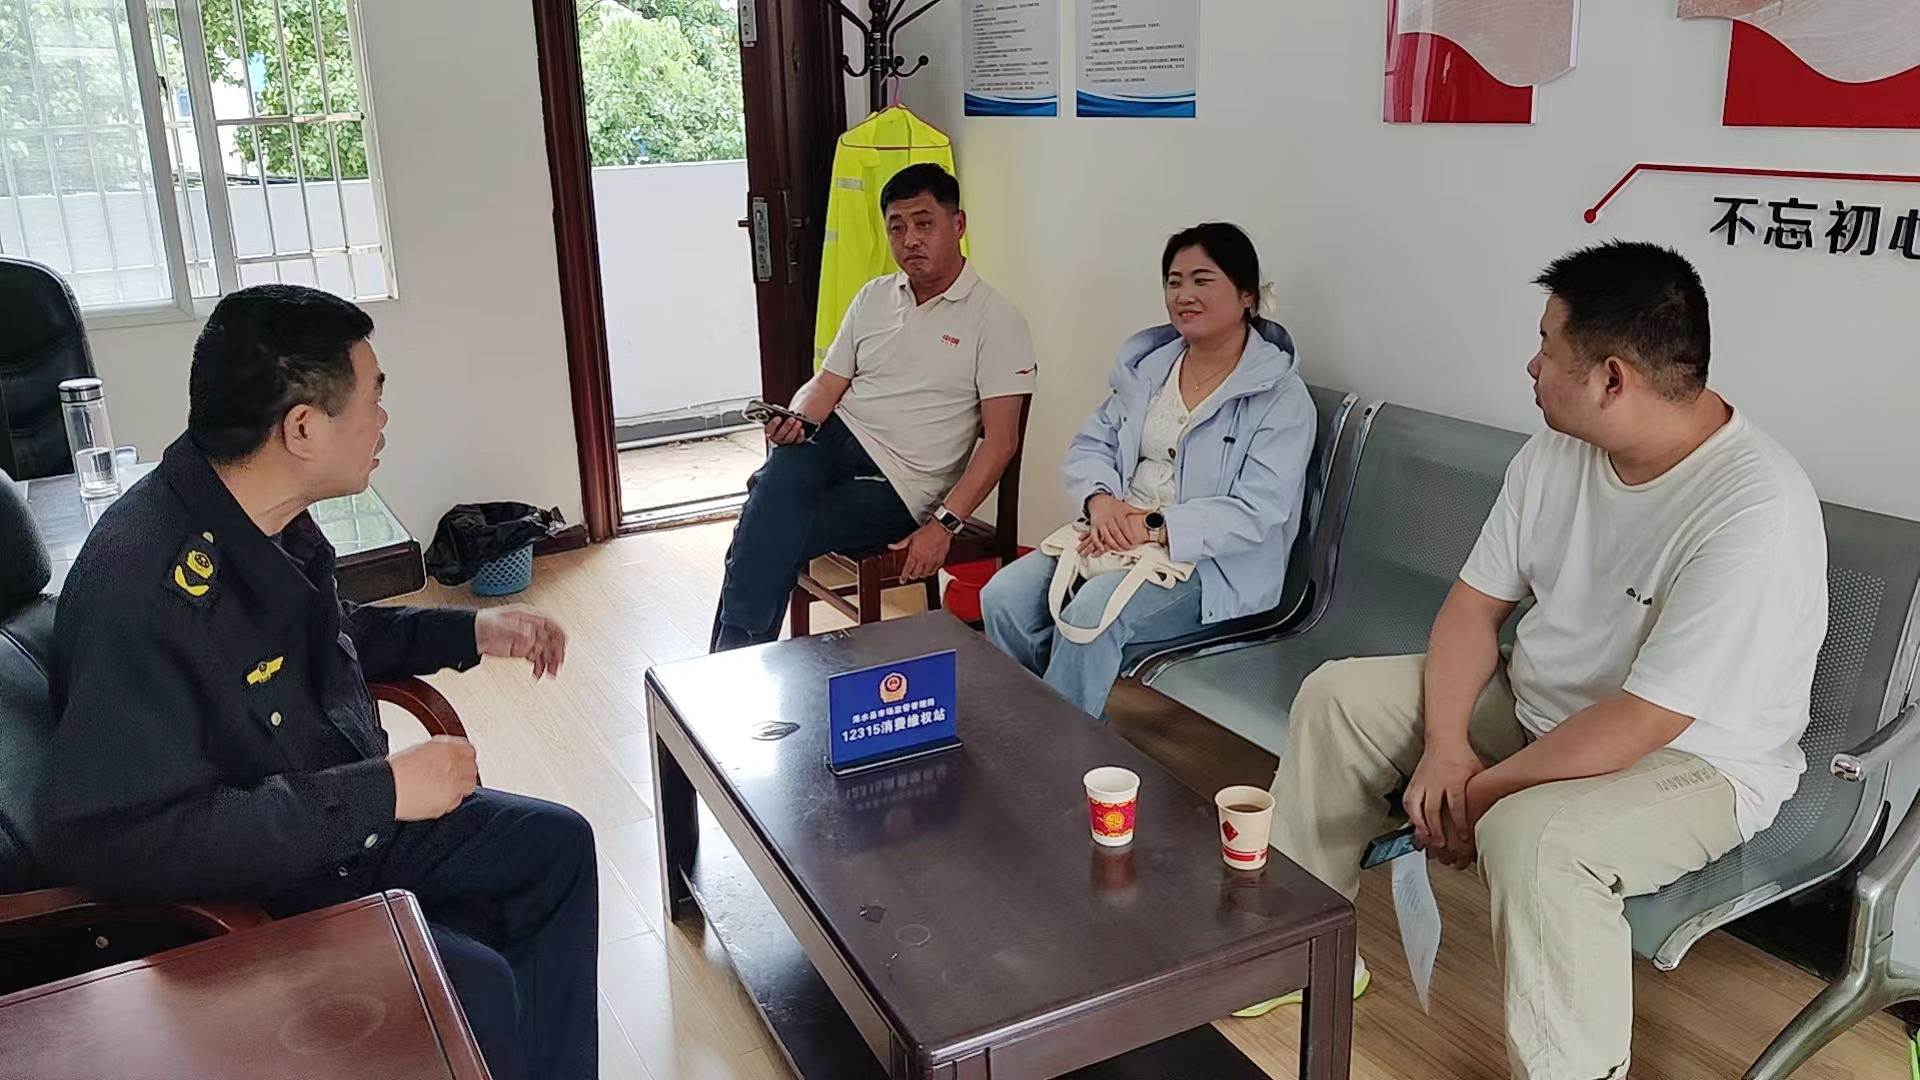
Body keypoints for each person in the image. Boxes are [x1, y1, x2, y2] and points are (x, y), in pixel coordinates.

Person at [1265, 242, 1827, 1079]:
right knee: (1338, 698)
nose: (1532, 366)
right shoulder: (1558, 451)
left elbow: (1642, 721)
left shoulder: (1753, 509)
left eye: (1546, 346)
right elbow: (1472, 608)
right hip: (1543, 710)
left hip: (1695, 762)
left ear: (1611, 379)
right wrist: (1447, 748)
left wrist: (1481, 793)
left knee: (1536, 839)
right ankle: (1298, 953)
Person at [41, 285, 597, 1080]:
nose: (383, 419)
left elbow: (327, 633)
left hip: (335, 824)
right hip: (261, 883)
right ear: (302, 427)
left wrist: (469, 631)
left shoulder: (256, 512)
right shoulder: (146, 588)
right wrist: (382, 793)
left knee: (557, 847)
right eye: (373, 397)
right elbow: (121, 840)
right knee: (475, 983)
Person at [980, 223, 1315, 718]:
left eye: (1203, 280)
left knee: (1091, 616)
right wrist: (1101, 502)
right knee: (1002, 597)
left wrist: (1155, 527)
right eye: (1174, 282)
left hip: (1210, 565)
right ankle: (1042, 728)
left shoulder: (1281, 397)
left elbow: (1259, 510)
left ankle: (1052, 750)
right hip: (1113, 533)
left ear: (1247, 295)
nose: (1184, 295)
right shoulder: (1148, 370)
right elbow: (1093, 443)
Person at [710, 163, 1036, 650]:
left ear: (958, 225)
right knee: (782, 483)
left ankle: (731, 658)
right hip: (835, 439)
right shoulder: (874, 296)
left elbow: (1001, 442)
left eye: (924, 223)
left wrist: (943, 526)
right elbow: (826, 383)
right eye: (896, 227)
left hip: (902, 483)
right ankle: (738, 662)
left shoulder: (996, 319)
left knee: (769, 520)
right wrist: (798, 420)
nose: (910, 240)